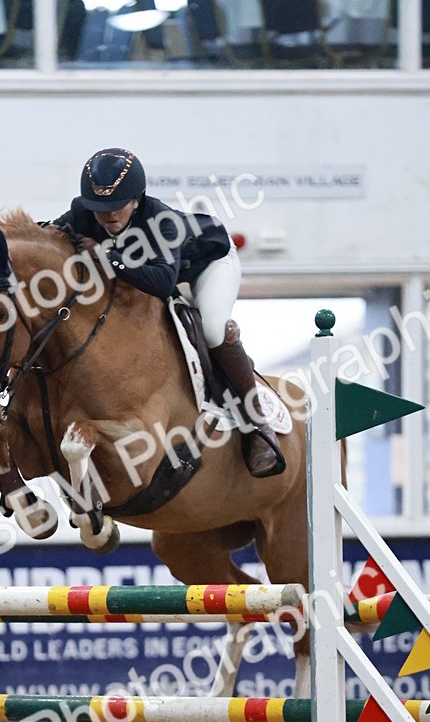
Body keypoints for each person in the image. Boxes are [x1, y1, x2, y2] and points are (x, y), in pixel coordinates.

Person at [54, 147, 284, 478]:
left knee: (214, 330)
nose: (108, 217)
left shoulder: (162, 222)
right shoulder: (84, 212)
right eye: (99, 209)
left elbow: (162, 282)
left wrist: (110, 258)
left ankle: (258, 426)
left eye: (117, 207)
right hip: (161, 272)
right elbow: (50, 233)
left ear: (136, 200)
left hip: (208, 265)